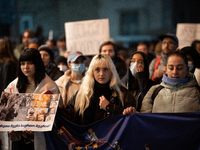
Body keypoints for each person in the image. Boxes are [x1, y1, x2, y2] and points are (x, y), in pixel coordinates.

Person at [1, 48, 63, 150]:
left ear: (37, 64)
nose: (26, 67)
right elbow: (6, 114)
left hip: (41, 140)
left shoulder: (50, 87)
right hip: (19, 142)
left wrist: (38, 127)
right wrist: (10, 127)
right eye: (22, 63)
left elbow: (58, 116)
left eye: (30, 63)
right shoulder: (13, 86)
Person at [64, 54, 135, 125]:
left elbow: (132, 120)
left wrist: (110, 107)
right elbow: (67, 117)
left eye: (105, 69)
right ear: (92, 72)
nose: (101, 73)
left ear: (111, 71)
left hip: (114, 136)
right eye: (97, 69)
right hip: (85, 135)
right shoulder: (82, 94)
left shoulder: (123, 93)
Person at [123, 51, 200, 115]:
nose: (175, 72)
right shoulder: (154, 91)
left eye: (179, 68)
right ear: (166, 69)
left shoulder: (197, 92)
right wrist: (134, 113)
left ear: (187, 69)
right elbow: (145, 118)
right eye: (171, 68)